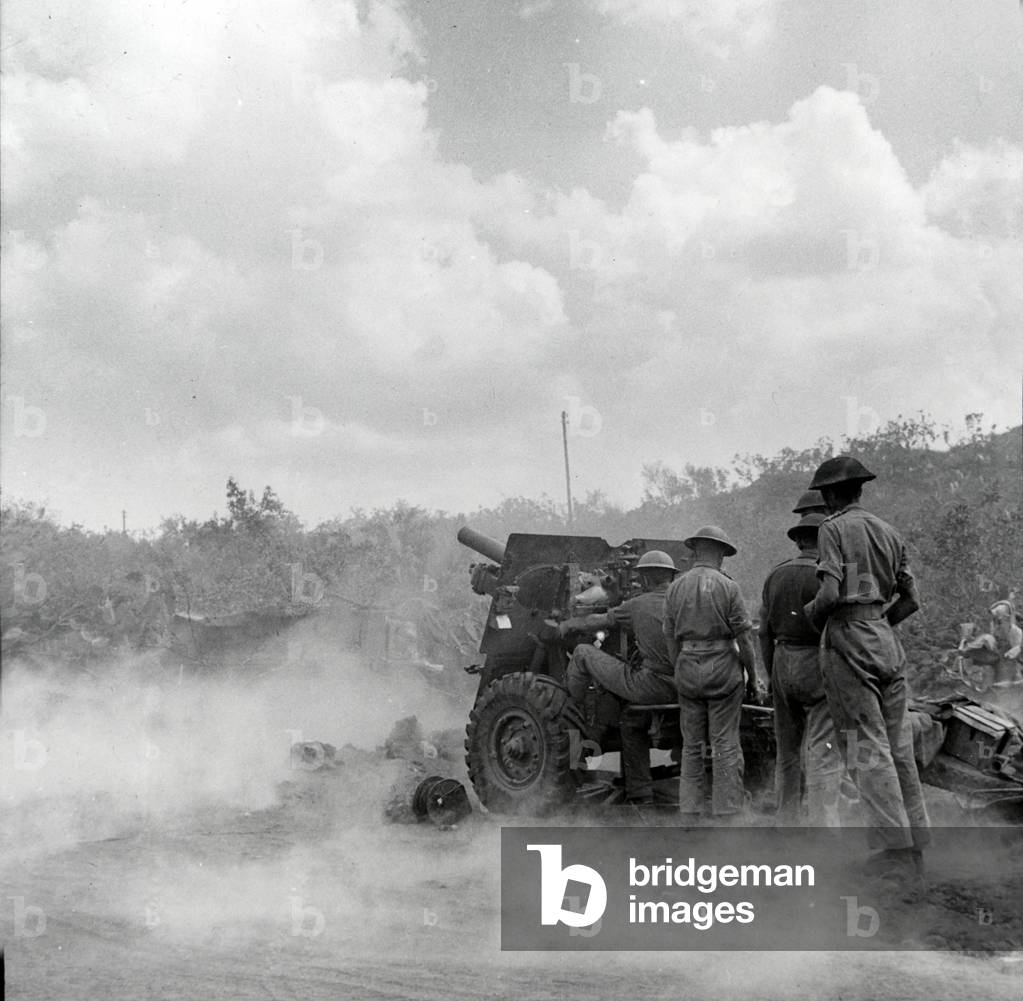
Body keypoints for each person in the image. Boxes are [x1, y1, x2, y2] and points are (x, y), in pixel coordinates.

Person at [802, 456, 929, 872]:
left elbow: (829, 595)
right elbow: (911, 600)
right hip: (887, 644)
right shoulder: (889, 532)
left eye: (824, 495)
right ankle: (917, 841)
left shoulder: (832, 529)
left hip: (848, 644)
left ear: (833, 494)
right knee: (899, 749)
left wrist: (813, 618)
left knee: (865, 749)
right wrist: (878, 624)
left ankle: (894, 851)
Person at [561, 550, 679, 804]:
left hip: (651, 685)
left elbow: (597, 621)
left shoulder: (638, 605)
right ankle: (640, 792)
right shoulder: (685, 601)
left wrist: (568, 625)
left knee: (582, 652)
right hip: (686, 684)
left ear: (645, 579)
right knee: (633, 719)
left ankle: (575, 713)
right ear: (671, 577)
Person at [663, 526, 759, 820]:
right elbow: (744, 639)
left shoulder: (675, 587)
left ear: (695, 551)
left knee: (691, 745)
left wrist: (678, 668)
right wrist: (752, 677)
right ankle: (727, 811)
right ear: (719, 552)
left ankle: (690, 810)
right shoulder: (728, 586)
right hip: (722, 669)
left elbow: (669, 637)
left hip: (688, 667)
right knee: (724, 743)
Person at [759, 513, 842, 825]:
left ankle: (787, 820)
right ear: (824, 541)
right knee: (823, 748)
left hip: (782, 659)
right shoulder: (828, 575)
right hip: (817, 660)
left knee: (787, 749)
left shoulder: (775, 575)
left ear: (797, 539)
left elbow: (763, 631)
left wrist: (770, 676)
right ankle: (823, 825)